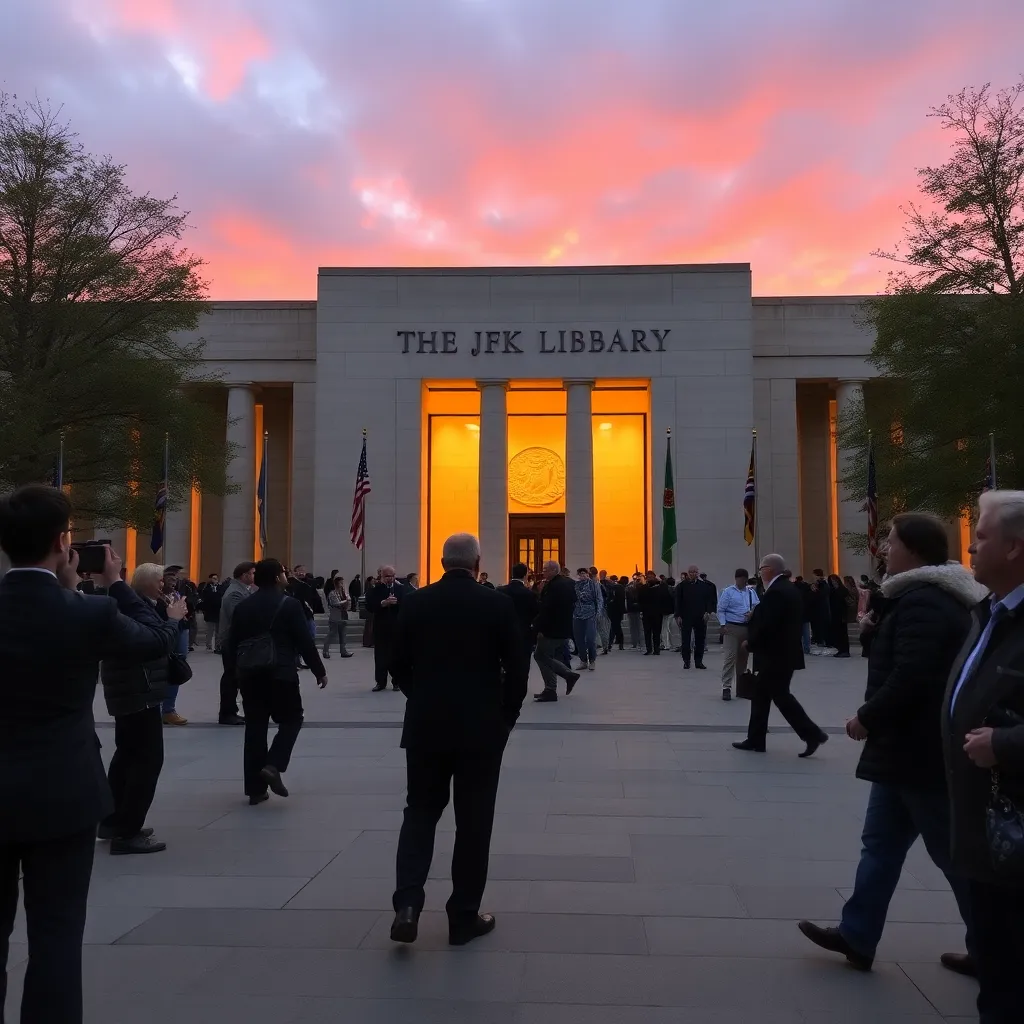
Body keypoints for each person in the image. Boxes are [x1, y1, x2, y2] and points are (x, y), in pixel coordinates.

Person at [0, 485, 184, 1024]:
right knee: (57, 933)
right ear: (64, 544)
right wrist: (117, 582)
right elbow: (155, 637)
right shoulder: (88, 614)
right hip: (64, 792)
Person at [798, 513, 984, 977]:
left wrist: (867, 716)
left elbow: (914, 674)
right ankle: (857, 935)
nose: (884, 548)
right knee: (879, 846)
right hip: (904, 754)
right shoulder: (920, 599)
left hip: (920, 753)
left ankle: (995, 943)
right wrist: (879, 633)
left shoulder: (924, 601)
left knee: (951, 856)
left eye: (892, 540)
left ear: (914, 550)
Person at [389, 534, 529, 946]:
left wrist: (422, 697)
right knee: (473, 823)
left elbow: (396, 664)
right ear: (477, 562)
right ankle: (463, 916)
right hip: (481, 730)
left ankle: (408, 904)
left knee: (419, 812)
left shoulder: (415, 602)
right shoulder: (497, 603)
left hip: (426, 726)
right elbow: (518, 670)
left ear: (442, 561)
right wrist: (506, 718)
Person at [944, 490, 1024, 1022]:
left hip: (1014, 833)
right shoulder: (988, 612)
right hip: (986, 836)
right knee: (997, 968)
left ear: (1015, 547)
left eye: (981, 536)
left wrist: (1003, 745)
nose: (969, 547)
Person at [99, 562, 194, 855]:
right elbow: (157, 642)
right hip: (138, 692)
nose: (166, 585)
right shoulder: (136, 607)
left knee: (126, 757)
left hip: (132, 691)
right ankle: (127, 832)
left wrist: (173, 615)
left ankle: (114, 821)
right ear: (147, 582)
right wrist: (173, 619)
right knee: (146, 761)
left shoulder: (139, 604)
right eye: (161, 580)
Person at [223, 558, 327, 804]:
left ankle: (255, 790)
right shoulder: (289, 605)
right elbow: (304, 640)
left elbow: (231, 642)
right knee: (292, 718)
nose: (286, 575)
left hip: (250, 675)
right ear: (276, 577)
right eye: (283, 572)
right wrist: (318, 670)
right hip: (281, 673)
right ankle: (274, 764)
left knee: (255, 729)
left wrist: (234, 674)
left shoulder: (244, 606)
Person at [734, 553, 828, 756]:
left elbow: (770, 624)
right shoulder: (788, 588)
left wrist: (751, 642)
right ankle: (756, 739)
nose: (759, 574)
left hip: (775, 656)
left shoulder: (776, 592)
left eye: (761, 570)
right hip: (783, 654)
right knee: (762, 695)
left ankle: (812, 734)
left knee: (781, 696)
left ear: (769, 569)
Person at [531, 559, 580, 702]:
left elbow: (547, 609)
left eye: (546, 569)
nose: (543, 572)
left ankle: (559, 682)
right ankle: (555, 685)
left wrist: (536, 626)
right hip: (563, 627)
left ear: (554, 570)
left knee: (540, 655)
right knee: (545, 655)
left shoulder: (553, 586)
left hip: (552, 629)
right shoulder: (569, 583)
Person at [217, 561, 256, 726]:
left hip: (237, 641)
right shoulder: (235, 593)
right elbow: (239, 617)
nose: (255, 576)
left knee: (234, 678)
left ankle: (231, 711)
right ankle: (227, 713)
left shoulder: (243, 590)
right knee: (231, 678)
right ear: (244, 575)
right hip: (232, 641)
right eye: (253, 573)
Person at [717, 569, 759, 701]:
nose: (742, 581)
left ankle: (741, 688)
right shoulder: (728, 592)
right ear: (736, 579)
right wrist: (723, 625)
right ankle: (726, 686)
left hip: (746, 628)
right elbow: (721, 609)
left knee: (743, 658)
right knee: (730, 656)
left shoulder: (751, 592)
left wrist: (752, 613)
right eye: (740, 579)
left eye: (744, 579)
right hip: (731, 627)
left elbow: (757, 606)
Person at [367, 565, 407, 691]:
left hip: (397, 627)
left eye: (392, 576)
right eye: (387, 576)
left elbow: (408, 604)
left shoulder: (401, 589)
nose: (390, 578)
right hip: (381, 628)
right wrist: (383, 603)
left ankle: (397, 681)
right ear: (382, 576)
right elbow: (370, 606)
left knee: (396, 655)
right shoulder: (375, 589)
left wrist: (397, 603)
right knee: (380, 656)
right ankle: (380, 682)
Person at [674, 565, 716, 668]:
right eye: (691, 572)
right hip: (686, 616)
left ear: (698, 573)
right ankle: (686, 661)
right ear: (688, 573)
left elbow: (709, 601)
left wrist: (708, 612)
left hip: (700, 616)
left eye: (695, 572)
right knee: (686, 641)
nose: (693, 574)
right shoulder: (681, 586)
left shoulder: (704, 586)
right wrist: (678, 615)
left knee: (700, 640)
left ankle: (698, 661)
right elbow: (677, 602)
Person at [498, 562, 539, 658]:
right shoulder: (529, 594)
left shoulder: (500, 591)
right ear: (525, 575)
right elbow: (535, 614)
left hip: (503, 633)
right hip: (523, 633)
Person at [572, 567, 602, 671]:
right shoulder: (575, 585)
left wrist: (598, 613)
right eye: (580, 574)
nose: (582, 576)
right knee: (579, 639)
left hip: (590, 613)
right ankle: (583, 660)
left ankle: (592, 660)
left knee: (590, 638)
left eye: (584, 573)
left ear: (587, 574)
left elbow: (599, 599)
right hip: (577, 614)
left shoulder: (594, 584)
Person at [639, 570, 671, 655]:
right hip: (646, 613)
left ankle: (657, 649)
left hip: (657, 613)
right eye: (648, 577)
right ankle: (648, 649)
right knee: (647, 632)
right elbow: (640, 600)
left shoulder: (660, 587)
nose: (649, 578)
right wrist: (641, 611)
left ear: (654, 577)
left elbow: (665, 598)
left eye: (651, 577)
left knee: (656, 632)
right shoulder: (643, 588)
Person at [323, 575, 353, 659]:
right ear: (336, 584)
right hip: (335, 615)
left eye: (343, 583)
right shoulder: (332, 593)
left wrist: (348, 602)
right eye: (341, 583)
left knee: (343, 634)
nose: (342, 584)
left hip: (343, 614)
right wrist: (345, 601)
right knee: (332, 633)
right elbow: (335, 603)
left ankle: (343, 651)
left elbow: (348, 604)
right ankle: (325, 651)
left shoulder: (343, 593)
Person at [828, 574, 853, 657]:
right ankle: (840, 650)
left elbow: (849, 603)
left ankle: (844, 650)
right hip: (835, 615)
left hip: (842, 616)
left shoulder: (843, 590)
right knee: (837, 634)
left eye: (834, 581)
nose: (833, 583)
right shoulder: (833, 591)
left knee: (842, 634)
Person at [198, 572, 222, 651]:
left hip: (218, 611)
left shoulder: (221, 587)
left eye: (216, 578)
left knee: (218, 630)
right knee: (210, 630)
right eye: (213, 578)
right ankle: (208, 644)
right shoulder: (207, 588)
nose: (215, 580)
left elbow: (221, 596)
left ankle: (217, 645)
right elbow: (206, 598)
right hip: (210, 611)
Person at [606, 574, 626, 651]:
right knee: (615, 627)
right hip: (616, 611)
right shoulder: (618, 587)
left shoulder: (615, 588)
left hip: (615, 610)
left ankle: (611, 643)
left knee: (615, 627)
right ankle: (617, 643)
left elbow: (618, 600)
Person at [625, 573, 643, 649]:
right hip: (634, 609)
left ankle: (637, 642)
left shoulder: (639, 588)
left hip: (635, 609)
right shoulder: (631, 588)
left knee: (636, 627)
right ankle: (636, 642)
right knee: (635, 627)